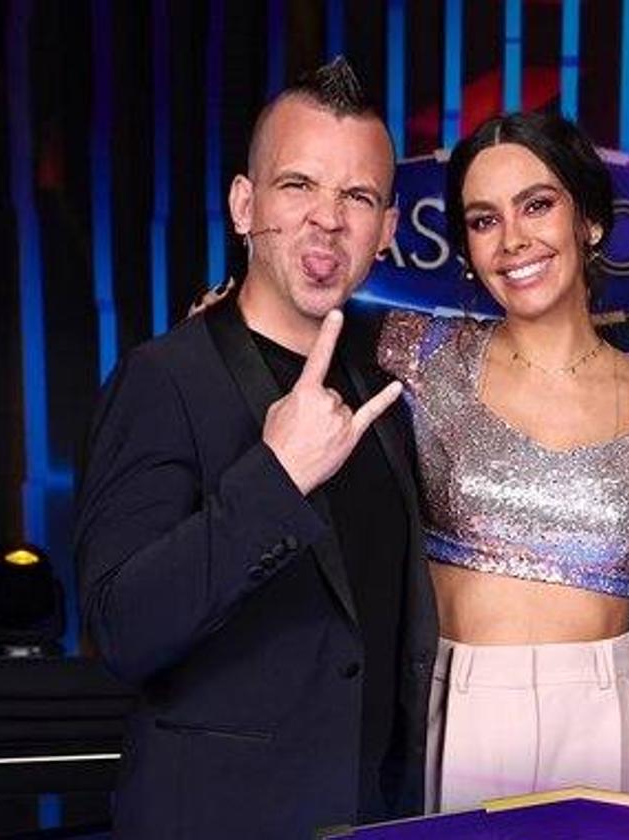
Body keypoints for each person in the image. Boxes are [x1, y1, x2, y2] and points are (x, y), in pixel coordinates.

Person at [74, 59, 439, 837]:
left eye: (359, 196)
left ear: (388, 232)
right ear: (245, 205)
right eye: (298, 185)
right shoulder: (163, 378)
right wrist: (276, 476)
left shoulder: (380, 392)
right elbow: (121, 629)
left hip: (370, 818)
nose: (328, 219)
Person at [376, 111, 629, 812]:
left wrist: (626, 650)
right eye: (483, 220)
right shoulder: (413, 355)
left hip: (603, 722)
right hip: (454, 715)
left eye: (536, 204)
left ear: (588, 219)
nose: (513, 240)